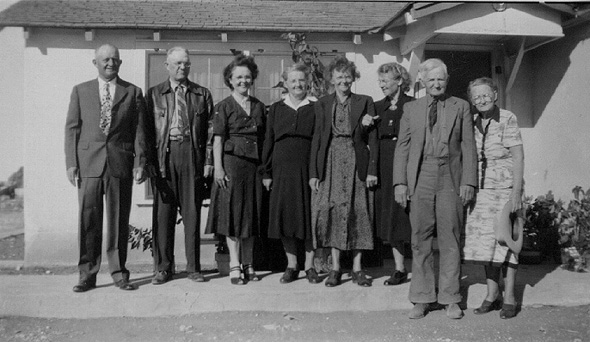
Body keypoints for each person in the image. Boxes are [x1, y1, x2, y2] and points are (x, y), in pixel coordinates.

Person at [393, 58, 477, 319]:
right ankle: (422, 297)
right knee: (420, 237)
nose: (436, 83)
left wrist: (469, 181)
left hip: (450, 176)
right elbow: (403, 147)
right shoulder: (411, 109)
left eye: (440, 79)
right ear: (423, 82)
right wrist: (400, 183)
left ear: (447, 79)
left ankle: (451, 297)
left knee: (450, 236)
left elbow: (468, 146)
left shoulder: (461, 106)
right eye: (431, 80)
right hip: (421, 175)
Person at [65, 44, 147, 292]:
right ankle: (87, 275)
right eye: (105, 60)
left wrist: (139, 163)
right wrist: (71, 163)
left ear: (120, 63)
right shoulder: (80, 91)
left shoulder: (132, 92)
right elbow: (72, 129)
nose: (110, 63)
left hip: (119, 165)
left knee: (119, 221)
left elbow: (139, 132)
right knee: (89, 220)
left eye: (115, 59)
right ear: (95, 63)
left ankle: (119, 273)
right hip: (89, 164)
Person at [145, 47, 214, 285]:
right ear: (167, 65)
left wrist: (207, 162)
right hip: (165, 154)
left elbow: (209, 133)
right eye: (177, 64)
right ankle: (163, 268)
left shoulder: (201, 94)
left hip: (191, 155)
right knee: (163, 215)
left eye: (186, 64)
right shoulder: (154, 94)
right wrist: (150, 165)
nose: (182, 68)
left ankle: (194, 268)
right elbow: (146, 134)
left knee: (192, 214)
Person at [309, 55, 379, 287]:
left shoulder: (365, 101)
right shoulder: (322, 103)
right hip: (331, 160)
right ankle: (336, 268)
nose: (344, 80)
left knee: (359, 210)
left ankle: (358, 269)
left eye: (347, 76)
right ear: (332, 79)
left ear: (353, 78)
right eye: (339, 76)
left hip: (356, 158)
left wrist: (371, 170)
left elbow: (373, 139)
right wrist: (314, 173)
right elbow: (318, 139)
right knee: (333, 211)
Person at [463, 77, 524, 319]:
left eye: (486, 94)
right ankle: (491, 294)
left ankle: (509, 296)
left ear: (495, 95)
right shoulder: (472, 122)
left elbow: (518, 156)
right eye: (476, 97)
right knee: (486, 246)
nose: (482, 100)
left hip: (505, 190)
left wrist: (516, 192)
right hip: (481, 192)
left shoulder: (507, 118)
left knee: (506, 243)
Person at [205, 54, 266, 285]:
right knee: (232, 215)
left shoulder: (259, 106)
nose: (244, 81)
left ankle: (249, 264)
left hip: (253, 168)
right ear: (230, 80)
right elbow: (217, 140)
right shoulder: (223, 107)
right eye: (239, 77)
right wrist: (218, 168)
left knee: (250, 216)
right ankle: (233, 264)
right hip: (231, 166)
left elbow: (264, 139)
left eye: (248, 77)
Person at [261, 64, 320, 284]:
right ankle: (292, 265)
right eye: (292, 81)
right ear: (285, 83)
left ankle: (310, 266)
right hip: (281, 170)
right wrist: (266, 172)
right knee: (286, 217)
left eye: (301, 80)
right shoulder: (276, 108)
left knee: (308, 217)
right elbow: (268, 140)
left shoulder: (316, 106)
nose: (297, 84)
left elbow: (320, 140)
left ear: (308, 82)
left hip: (308, 169)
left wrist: (317, 171)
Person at [373, 63, 414, 286]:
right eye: (380, 81)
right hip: (385, 166)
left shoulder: (412, 105)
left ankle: (421, 267)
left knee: (410, 215)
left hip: (408, 164)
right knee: (392, 218)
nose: (381, 85)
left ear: (399, 81)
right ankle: (399, 268)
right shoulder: (377, 107)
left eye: (385, 80)